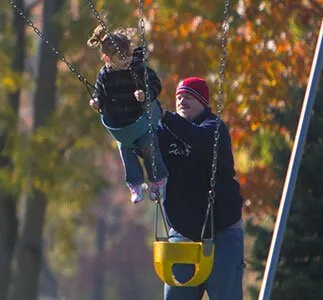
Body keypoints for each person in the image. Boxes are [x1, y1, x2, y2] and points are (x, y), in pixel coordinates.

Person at [157, 77, 244, 300]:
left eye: (188, 96)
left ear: (203, 102)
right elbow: (142, 145)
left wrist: (166, 116)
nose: (181, 101)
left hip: (222, 231)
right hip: (183, 231)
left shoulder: (214, 128)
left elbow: (198, 139)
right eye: (178, 97)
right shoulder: (166, 132)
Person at [87, 25, 167, 203]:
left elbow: (156, 84)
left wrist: (146, 94)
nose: (127, 60)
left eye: (129, 55)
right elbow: (99, 92)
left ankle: (157, 180)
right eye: (121, 57)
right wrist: (96, 102)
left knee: (148, 143)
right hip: (123, 125)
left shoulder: (138, 67)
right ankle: (135, 184)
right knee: (125, 148)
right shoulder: (105, 74)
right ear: (107, 58)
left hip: (143, 119)